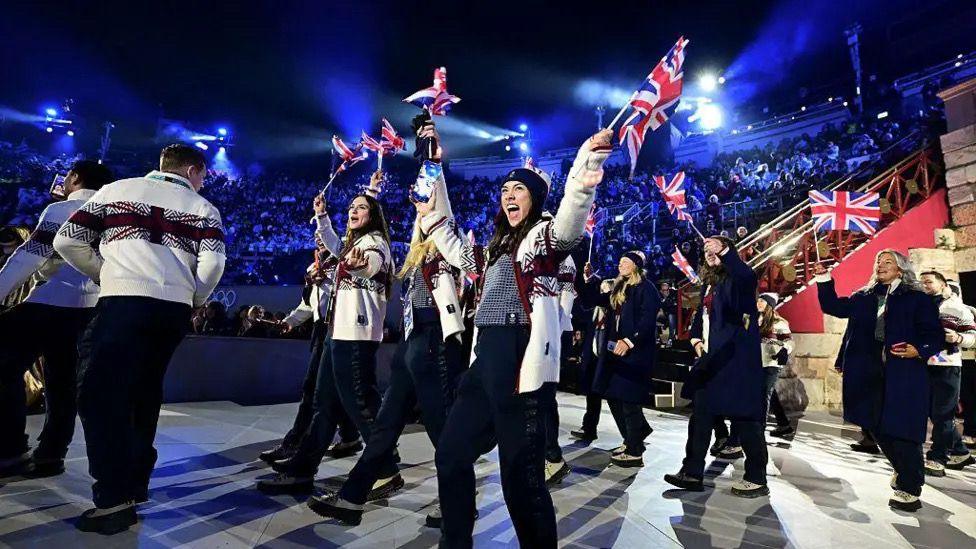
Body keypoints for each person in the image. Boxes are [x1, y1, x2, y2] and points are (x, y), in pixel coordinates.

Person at [415, 129, 612, 548]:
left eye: (518, 189)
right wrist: (434, 177)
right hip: (484, 356)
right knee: (450, 455)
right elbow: (450, 242)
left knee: (520, 479)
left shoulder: (542, 236)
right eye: (504, 189)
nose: (508, 195)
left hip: (520, 359)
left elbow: (569, 225)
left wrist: (586, 167)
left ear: (534, 199)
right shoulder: (493, 249)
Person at [54, 144, 225, 534]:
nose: (203, 182)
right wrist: (193, 297)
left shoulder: (116, 190)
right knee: (145, 391)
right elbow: (213, 263)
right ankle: (134, 484)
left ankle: (113, 499)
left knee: (98, 393)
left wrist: (104, 273)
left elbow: (67, 241)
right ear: (194, 170)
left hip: (123, 302)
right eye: (203, 175)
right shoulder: (203, 208)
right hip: (172, 311)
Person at [307, 139, 466, 526]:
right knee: (383, 427)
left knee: (439, 425)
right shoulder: (416, 243)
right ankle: (352, 497)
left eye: (424, 201)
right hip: (412, 340)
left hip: (433, 338)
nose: (419, 204)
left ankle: (460, 502)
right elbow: (359, 255)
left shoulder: (444, 241)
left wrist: (431, 158)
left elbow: (376, 256)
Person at [259, 171, 396, 496]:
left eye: (361, 207)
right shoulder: (354, 244)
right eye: (351, 206)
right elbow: (337, 247)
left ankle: (387, 469)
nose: (353, 210)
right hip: (339, 332)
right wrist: (321, 215)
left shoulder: (375, 244)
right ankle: (303, 469)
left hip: (357, 335)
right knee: (324, 404)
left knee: (361, 405)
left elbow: (370, 264)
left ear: (372, 215)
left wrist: (360, 264)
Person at [0, 160, 113, 478]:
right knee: (62, 384)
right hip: (87, 309)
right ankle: (52, 454)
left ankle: (9, 450)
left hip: (47, 305)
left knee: (5, 369)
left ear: (74, 177)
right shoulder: (110, 216)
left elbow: (27, 257)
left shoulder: (61, 211)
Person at [813, 251, 942, 512]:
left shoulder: (917, 299)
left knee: (904, 430)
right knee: (876, 426)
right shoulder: (864, 297)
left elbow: (934, 334)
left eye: (888, 263)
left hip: (904, 373)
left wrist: (920, 349)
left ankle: (910, 486)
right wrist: (824, 278)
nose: (881, 266)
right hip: (869, 373)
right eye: (878, 262)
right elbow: (833, 307)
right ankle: (903, 469)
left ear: (901, 270)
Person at [664, 235, 769, 498]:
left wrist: (724, 251)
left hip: (735, 364)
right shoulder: (709, 285)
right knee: (700, 417)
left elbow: (746, 278)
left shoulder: (737, 280)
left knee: (745, 422)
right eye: (707, 251)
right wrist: (697, 340)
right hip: (711, 362)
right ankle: (692, 472)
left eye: (716, 250)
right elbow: (702, 316)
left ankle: (757, 477)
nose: (709, 253)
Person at [256, 246, 361, 466]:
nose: (319, 241)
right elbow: (308, 305)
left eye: (323, 236)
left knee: (313, 389)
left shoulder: (346, 261)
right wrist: (290, 321)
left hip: (339, 328)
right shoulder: (314, 268)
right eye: (316, 238)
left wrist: (325, 278)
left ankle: (294, 443)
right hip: (320, 331)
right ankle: (351, 437)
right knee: (336, 390)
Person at [590, 250, 659, 468]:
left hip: (635, 354)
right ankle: (633, 437)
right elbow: (592, 299)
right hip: (614, 354)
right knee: (613, 396)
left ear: (636, 266)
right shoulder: (619, 287)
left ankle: (635, 451)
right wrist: (589, 280)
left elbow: (648, 319)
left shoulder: (646, 288)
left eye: (625, 262)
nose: (620, 265)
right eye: (620, 262)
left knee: (628, 400)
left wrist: (629, 341)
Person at [919, 271, 976, 475]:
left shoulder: (958, 308)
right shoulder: (923, 306)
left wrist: (958, 339)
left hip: (948, 365)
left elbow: (973, 336)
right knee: (934, 413)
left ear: (943, 284)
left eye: (928, 282)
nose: (924, 285)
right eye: (922, 282)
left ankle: (938, 458)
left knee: (943, 414)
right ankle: (960, 452)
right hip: (924, 364)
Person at [541, 254, 576, 485]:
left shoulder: (562, 256)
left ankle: (552, 458)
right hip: (540, 330)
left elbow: (566, 297)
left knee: (543, 397)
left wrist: (554, 333)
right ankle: (547, 456)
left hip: (549, 333)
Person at [569, 262, 608, 443]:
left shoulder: (613, 314)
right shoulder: (593, 312)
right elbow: (581, 307)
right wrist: (586, 279)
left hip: (606, 360)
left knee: (615, 402)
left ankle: (635, 436)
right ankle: (589, 428)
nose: (602, 291)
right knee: (592, 396)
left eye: (606, 289)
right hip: (592, 358)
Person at [756, 293, 795, 438]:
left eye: (762, 301)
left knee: (764, 394)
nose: (758, 303)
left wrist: (785, 349)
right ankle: (784, 424)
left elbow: (789, 340)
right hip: (756, 362)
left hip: (772, 362)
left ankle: (759, 428)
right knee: (769, 394)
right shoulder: (754, 319)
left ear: (770, 304)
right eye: (758, 300)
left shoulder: (779, 322)